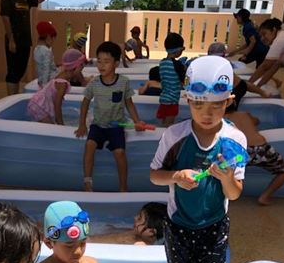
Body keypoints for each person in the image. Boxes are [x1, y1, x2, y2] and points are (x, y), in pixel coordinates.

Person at [149, 56, 247, 263]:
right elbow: (154, 176)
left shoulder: (235, 140)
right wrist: (176, 176)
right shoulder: (174, 135)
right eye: (198, 104)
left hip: (214, 226)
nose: (207, 113)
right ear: (187, 100)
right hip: (178, 224)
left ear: (229, 101)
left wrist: (227, 177)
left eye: (217, 105)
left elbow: (234, 194)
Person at [75, 41, 144, 192]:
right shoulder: (94, 83)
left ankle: (123, 186)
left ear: (116, 63)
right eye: (99, 61)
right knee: (89, 145)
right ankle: (87, 182)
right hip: (98, 125)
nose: (101, 65)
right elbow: (85, 103)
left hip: (116, 126)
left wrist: (137, 121)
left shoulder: (123, 82)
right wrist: (82, 124)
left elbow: (129, 103)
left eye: (106, 61)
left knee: (120, 153)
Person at [225, 99, 284, 205]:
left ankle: (225, 195)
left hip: (239, 154)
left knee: (221, 171)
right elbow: (257, 121)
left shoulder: (220, 121)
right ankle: (265, 197)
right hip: (261, 149)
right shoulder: (244, 114)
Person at [0, 0, 46, 95]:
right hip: (14, 40)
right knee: (13, 71)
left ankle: (15, 94)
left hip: (25, 41)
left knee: (20, 70)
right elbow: (5, 19)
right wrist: (11, 39)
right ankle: (11, 97)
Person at [28, 49, 86, 125]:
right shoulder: (63, 84)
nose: (83, 67)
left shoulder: (62, 74)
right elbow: (57, 105)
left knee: (48, 125)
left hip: (38, 103)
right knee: (51, 127)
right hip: (39, 106)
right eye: (81, 65)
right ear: (75, 67)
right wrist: (60, 123)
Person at [90, 202, 168, 245]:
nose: (135, 217)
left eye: (139, 218)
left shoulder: (133, 242)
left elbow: (90, 241)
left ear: (151, 232)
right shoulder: (138, 234)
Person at [158, 33, 187, 126]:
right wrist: (185, 69)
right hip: (172, 101)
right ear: (178, 50)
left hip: (163, 99)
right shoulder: (178, 65)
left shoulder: (162, 63)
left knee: (163, 123)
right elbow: (185, 83)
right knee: (169, 125)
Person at [34, 21, 58, 87]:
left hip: (41, 78)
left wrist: (40, 80)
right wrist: (44, 84)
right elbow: (46, 68)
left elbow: (39, 67)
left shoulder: (36, 49)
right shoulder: (47, 51)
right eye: (53, 39)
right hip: (50, 78)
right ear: (48, 37)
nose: (52, 42)